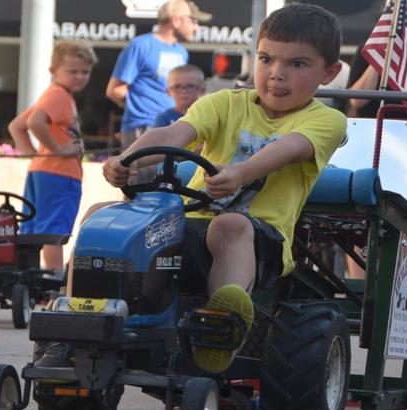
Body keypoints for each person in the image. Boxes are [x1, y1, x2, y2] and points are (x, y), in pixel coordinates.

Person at [63, 2, 346, 375]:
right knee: (103, 215)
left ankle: (219, 326)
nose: (277, 75)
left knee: (229, 224)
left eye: (297, 64)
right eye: (266, 59)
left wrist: (241, 172)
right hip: (186, 224)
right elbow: (173, 134)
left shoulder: (327, 119)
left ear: (330, 72)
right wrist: (127, 159)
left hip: (260, 239)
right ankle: (76, 313)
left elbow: (287, 148)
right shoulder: (224, 103)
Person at [7, 39, 95, 275]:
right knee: (53, 233)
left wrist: (34, 155)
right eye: (73, 71)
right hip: (59, 174)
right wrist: (56, 149)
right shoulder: (59, 96)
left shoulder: (55, 94)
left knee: (34, 230)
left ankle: (29, 281)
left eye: (85, 72)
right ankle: (53, 284)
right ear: (53, 71)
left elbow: (17, 126)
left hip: (42, 171)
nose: (79, 76)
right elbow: (34, 122)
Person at [107, 0, 210, 150]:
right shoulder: (141, 45)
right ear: (175, 21)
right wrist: (142, 111)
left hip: (175, 126)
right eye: (193, 21)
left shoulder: (181, 51)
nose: (196, 27)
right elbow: (115, 90)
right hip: (143, 127)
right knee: (141, 172)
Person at [152, 63, 207, 129]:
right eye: (177, 86)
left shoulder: (208, 116)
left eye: (190, 86)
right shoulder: (164, 118)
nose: (183, 91)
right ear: (168, 91)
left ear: (202, 90)